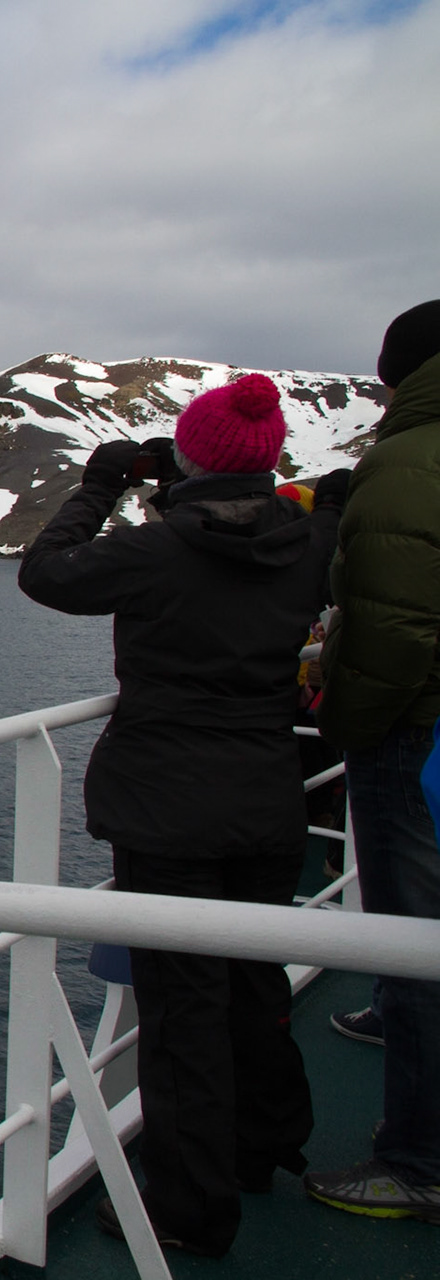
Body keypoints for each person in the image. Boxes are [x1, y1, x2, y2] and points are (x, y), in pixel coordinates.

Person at [19, 373, 346, 1256]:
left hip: (168, 808)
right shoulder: (309, 541)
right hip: (268, 797)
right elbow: (263, 522)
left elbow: (46, 574)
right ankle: (266, 1145)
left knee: (182, 1015)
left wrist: (100, 486)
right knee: (251, 978)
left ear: (191, 455)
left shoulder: (157, 551)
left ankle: (186, 1212)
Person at [305, 299, 440, 1223]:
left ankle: (422, 1160)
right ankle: (394, 1012)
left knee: (413, 920)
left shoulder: (407, 460)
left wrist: (344, 723)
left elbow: (393, 626)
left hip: (414, 737)